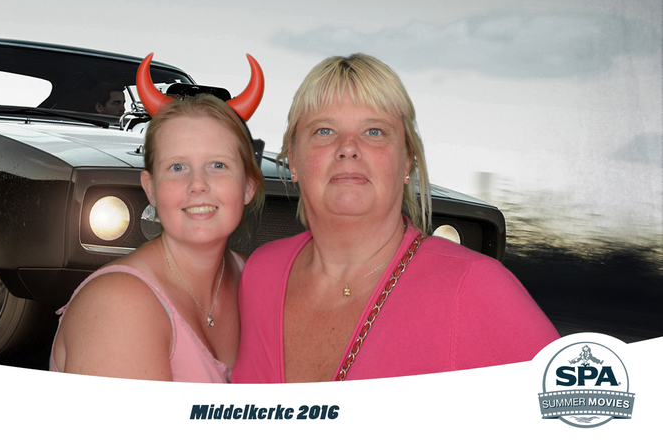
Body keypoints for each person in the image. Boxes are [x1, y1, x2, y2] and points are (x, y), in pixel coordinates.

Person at [232, 53, 559, 383]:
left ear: (407, 161)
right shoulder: (260, 273)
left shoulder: (476, 286)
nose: (348, 148)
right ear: (292, 159)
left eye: (374, 131)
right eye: (324, 130)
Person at [50, 54, 265, 382]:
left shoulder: (258, 280)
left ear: (248, 186)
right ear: (151, 188)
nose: (197, 185)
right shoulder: (118, 306)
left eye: (218, 165)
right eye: (177, 167)